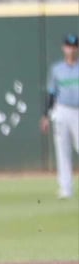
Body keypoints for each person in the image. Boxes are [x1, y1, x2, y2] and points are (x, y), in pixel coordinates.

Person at [40, 33, 79, 200]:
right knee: (63, 150)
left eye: (74, 46)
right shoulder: (57, 69)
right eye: (68, 46)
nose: (71, 49)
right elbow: (51, 93)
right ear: (64, 48)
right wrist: (45, 115)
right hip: (62, 110)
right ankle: (66, 188)